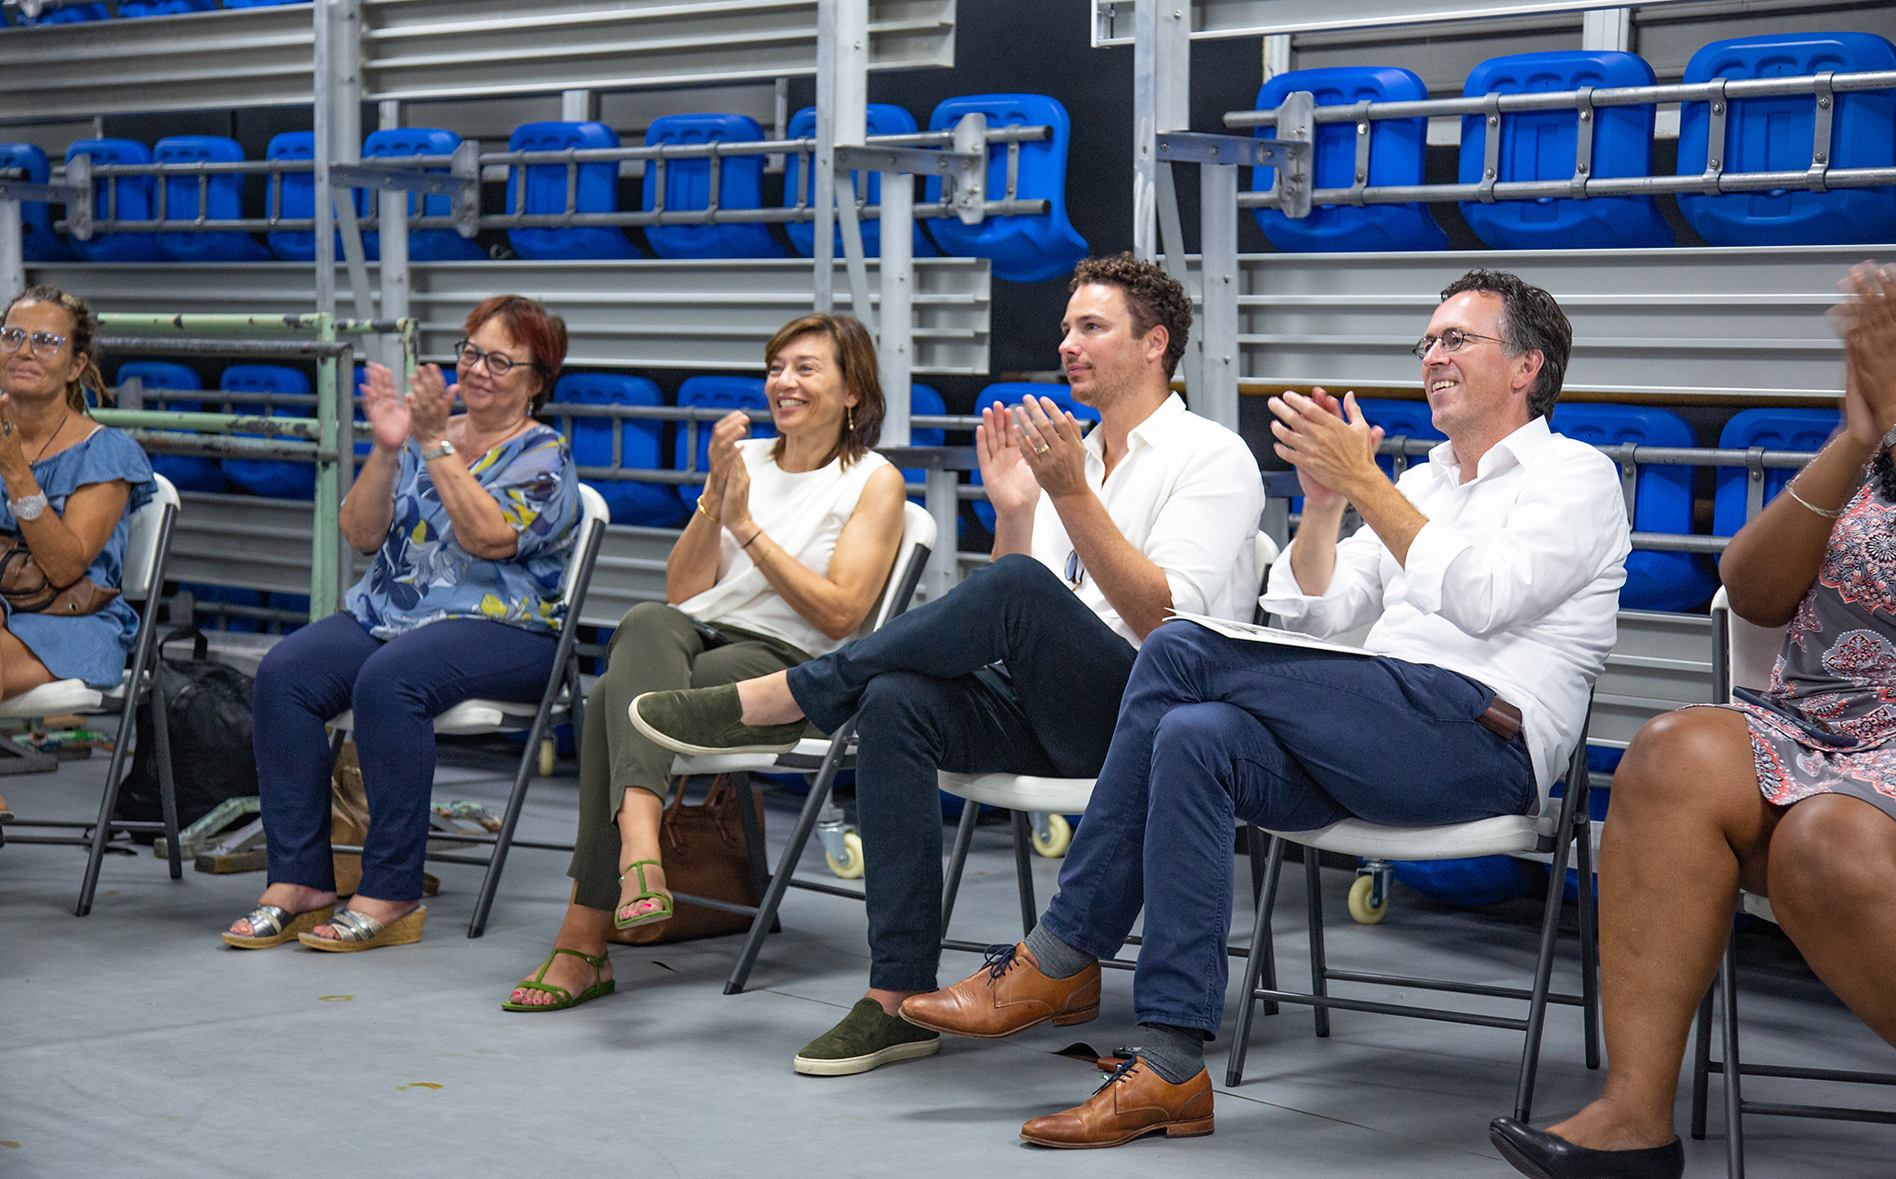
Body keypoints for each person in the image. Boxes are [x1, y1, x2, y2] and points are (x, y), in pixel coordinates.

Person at [896, 269, 1631, 1150]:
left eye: (1456, 339)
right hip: (1375, 733)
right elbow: (1315, 611)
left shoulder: (1575, 476)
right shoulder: (1426, 484)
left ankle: (1058, 953)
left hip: (1482, 743)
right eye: (1428, 341)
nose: (1433, 356)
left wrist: (1366, 484)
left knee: (1178, 648)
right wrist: (1323, 509)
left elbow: (1485, 599)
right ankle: (1171, 1066)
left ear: (1526, 366)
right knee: (1195, 735)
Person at [628, 252, 1268, 1075]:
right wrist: (1016, 513)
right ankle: (896, 998)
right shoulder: (1070, 454)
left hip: (1152, 723)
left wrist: (1067, 496)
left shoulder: (1212, 455)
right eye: (1066, 327)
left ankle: (796, 694)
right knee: (896, 700)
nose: (1067, 344)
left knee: (1015, 588)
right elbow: (1012, 616)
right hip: (1056, 709)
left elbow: (1162, 621)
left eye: (1091, 327)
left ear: (1155, 345)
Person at [1489, 263, 1896, 1179]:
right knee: (1671, 753)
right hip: (1814, 727)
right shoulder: (1873, 463)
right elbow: (1751, 591)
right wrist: (1857, 437)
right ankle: (1634, 1118)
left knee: (1822, 842)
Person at [503, 313, 907, 1011]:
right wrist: (717, 500)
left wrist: (746, 527)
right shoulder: (745, 460)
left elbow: (841, 614)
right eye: (775, 368)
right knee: (644, 618)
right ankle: (640, 851)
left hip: (795, 670)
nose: (783, 382)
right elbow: (684, 592)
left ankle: (584, 937)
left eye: (805, 368)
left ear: (852, 391)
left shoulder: (874, 481)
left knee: (611, 700)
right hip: (702, 637)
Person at [222, 295, 580, 951]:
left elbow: (488, 539)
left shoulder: (543, 458)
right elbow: (361, 534)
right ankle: (300, 880)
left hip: (510, 632)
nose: (477, 368)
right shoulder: (426, 435)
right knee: (286, 674)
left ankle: (391, 891)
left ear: (538, 381)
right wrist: (389, 450)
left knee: (390, 680)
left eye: (500, 361)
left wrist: (434, 442)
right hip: (393, 617)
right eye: (471, 352)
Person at [0, 286, 157, 856]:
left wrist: (16, 476)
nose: (25, 350)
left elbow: (64, 565)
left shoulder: (107, 451)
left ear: (76, 365)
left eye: (46, 341)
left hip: (72, 619)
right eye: (12, 336)